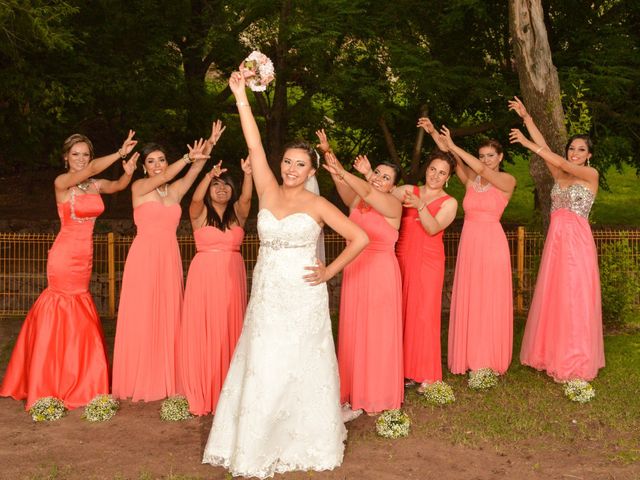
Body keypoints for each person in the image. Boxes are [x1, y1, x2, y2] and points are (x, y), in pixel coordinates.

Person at [202, 71, 368, 478]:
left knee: (299, 362)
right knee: (264, 362)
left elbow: (359, 237)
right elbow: (254, 144)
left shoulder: (318, 204)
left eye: (300, 164)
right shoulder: (268, 190)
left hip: (302, 294)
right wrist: (240, 95)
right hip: (266, 295)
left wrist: (328, 270)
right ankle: (256, 439)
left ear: (311, 170)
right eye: (288, 162)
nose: (292, 169)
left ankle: (301, 437)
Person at [0, 131, 138, 410]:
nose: (81, 159)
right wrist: (119, 153)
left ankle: (80, 377)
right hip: (63, 256)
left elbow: (117, 186)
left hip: (84, 256)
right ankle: (48, 378)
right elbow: (93, 169)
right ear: (66, 158)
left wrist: (128, 171)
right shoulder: (62, 183)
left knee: (79, 307)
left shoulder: (94, 185)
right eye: (76, 154)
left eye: (85, 154)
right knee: (61, 305)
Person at [509, 96, 604, 381]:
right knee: (555, 295)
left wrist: (527, 143)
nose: (575, 152)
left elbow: (556, 157)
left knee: (575, 297)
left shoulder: (590, 174)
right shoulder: (560, 175)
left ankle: (575, 358)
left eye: (581, 149)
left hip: (577, 243)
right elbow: (549, 154)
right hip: (556, 242)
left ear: (589, 155)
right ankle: (551, 352)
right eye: (572, 148)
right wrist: (527, 119)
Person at [112, 136, 210, 402]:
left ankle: (164, 377)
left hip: (169, 257)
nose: (157, 166)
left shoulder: (174, 191)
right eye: (151, 162)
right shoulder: (140, 187)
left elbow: (196, 170)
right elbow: (179, 169)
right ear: (144, 167)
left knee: (168, 313)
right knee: (143, 315)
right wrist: (187, 158)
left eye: (161, 160)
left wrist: (207, 147)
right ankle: (139, 378)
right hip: (144, 257)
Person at [318, 129, 404, 416]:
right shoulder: (359, 201)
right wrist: (328, 151)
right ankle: (352, 391)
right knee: (353, 329)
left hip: (380, 272)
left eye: (385, 177)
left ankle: (377, 393)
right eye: (377, 172)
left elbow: (366, 187)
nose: (379, 178)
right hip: (356, 268)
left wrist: (354, 174)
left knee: (377, 332)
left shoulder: (393, 205)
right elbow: (340, 180)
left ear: (393, 186)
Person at [177, 148, 253, 416]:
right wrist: (208, 175)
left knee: (228, 328)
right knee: (203, 326)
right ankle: (202, 384)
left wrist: (248, 175)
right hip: (204, 276)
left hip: (232, 275)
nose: (221, 190)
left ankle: (227, 387)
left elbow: (246, 198)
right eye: (216, 186)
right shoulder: (198, 214)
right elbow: (195, 197)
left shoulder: (238, 215)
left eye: (225, 186)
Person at [438, 124, 515, 376]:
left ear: (500, 157)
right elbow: (455, 161)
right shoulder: (472, 182)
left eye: (490, 155)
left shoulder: (506, 180)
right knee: (471, 296)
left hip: (492, 244)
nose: (485, 160)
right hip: (469, 243)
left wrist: (453, 145)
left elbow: (478, 168)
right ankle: (469, 354)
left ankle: (488, 356)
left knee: (489, 297)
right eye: (482, 155)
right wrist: (437, 137)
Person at [392, 119, 459, 391]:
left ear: (448, 178)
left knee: (424, 314)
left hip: (429, 261)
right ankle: (405, 370)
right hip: (402, 257)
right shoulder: (409, 190)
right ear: (426, 169)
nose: (435, 175)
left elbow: (432, 228)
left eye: (441, 172)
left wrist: (420, 206)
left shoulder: (450, 202)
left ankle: (427, 373)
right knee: (403, 312)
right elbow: (381, 196)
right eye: (432, 169)